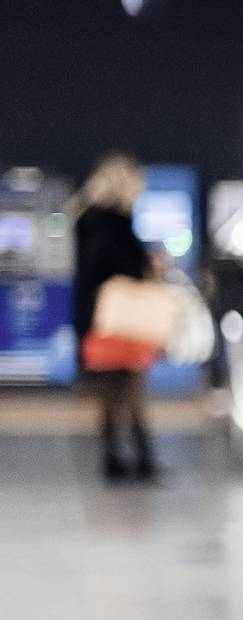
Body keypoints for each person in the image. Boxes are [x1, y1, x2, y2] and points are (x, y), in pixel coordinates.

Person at [70, 153, 160, 484]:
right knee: (130, 391)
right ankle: (142, 460)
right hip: (120, 322)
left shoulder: (88, 220)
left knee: (113, 394)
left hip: (100, 321)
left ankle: (118, 460)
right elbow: (112, 269)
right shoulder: (111, 224)